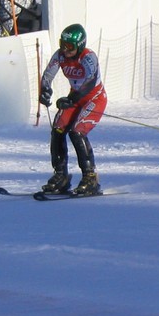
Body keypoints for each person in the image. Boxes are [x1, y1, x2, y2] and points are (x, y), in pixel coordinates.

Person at [38, 23, 107, 196]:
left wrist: (71, 99)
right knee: (58, 129)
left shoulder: (88, 57)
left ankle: (90, 177)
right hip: (75, 98)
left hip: (94, 98)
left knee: (77, 132)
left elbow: (90, 82)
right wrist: (45, 90)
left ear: (80, 45)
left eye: (70, 46)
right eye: (62, 44)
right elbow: (48, 74)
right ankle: (61, 175)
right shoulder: (60, 56)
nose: (65, 50)